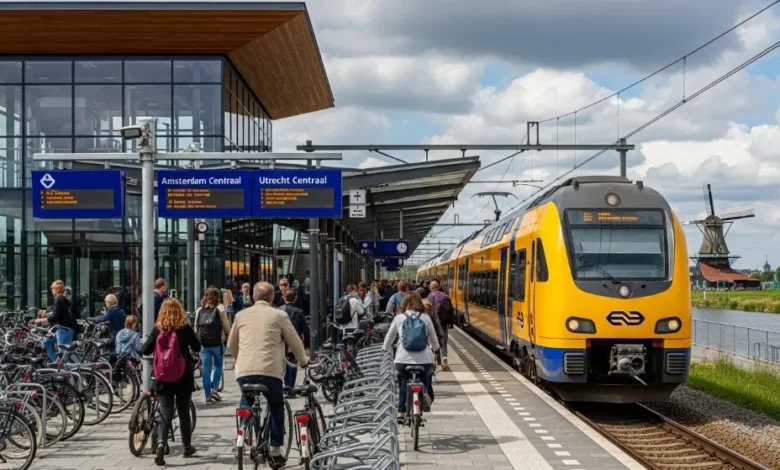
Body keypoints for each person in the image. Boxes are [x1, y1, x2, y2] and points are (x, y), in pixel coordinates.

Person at [229, 282, 309, 468]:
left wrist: (238, 360)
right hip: (270, 372)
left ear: (254, 297)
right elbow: (294, 341)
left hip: (244, 372)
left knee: (247, 398)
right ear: (273, 298)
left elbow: (231, 344)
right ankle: (274, 449)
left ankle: (243, 429)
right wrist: (303, 360)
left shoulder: (241, 315)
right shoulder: (279, 315)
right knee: (276, 405)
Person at [141, 298, 201, 466]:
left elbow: (145, 350)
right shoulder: (184, 328)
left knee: (165, 412)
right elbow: (197, 347)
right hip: (183, 377)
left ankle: (161, 443)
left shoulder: (157, 329)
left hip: (162, 378)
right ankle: (187, 447)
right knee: (183, 413)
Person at [382, 292, 439, 423]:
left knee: (403, 381)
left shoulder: (399, 318)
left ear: (404, 303)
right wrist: (436, 349)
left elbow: (390, 336)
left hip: (402, 360)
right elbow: (433, 338)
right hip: (424, 360)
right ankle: (425, 396)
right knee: (426, 379)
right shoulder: (425, 318)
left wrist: (385, 348)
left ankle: (401, 412)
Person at [194, 287, 231, 404]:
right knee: (218, 366)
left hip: (204, 345)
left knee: (206, 370)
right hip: (217, 343)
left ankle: (207, 396)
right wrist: (228, 335)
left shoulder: (200, 310)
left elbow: (196, 327)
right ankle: (215, 389)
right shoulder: (220, 309)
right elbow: (226, 326)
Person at [279, 289, 310, 397]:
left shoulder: (278, 311)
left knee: (282, 363)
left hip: (281, 341)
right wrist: (306, 344)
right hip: (293, 341)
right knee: (293, 363)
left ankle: (284, 386)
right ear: (295, 298)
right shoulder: (298, 312)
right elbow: (305, 330)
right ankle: (290, 387)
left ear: (284, 298)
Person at [35, 280, 75, 361]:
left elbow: (54, 317)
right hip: (61, 330)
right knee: (46, 343)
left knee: (63, 355)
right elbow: (56, 310)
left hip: (63, 330)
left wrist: (40, 320)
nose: (52, 291)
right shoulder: (62, 299)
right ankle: (56, 362)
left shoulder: (59, 300)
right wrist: (46, 312)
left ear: (56, 290)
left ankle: (62, 367)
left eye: (53, 289)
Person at [427, 281, 452, 371]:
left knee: (434, 341)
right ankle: (444, 357)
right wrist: (450, 322)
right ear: (438, 287)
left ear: (431, 287)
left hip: (434, 322)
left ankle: (436, 361)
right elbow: (451, 310)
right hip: (444, 322)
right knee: (443, 341)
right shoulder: (445, 296)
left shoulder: (430, 296)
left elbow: (428, 311)